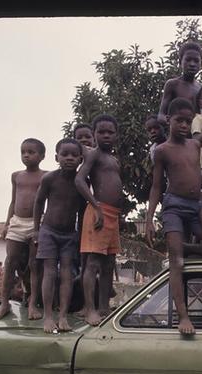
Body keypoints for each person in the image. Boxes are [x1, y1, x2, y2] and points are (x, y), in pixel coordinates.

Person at [146, 97, 202, 335]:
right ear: (169, 120)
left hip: (197, 206)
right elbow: (156, 186)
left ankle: (183, 247)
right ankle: (183, 316)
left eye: (187, 121)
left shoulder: (194, 145)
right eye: (179, 120)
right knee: (177, 262)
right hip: (174, 206)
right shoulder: (162, 151)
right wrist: (149, 218)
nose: (183, 125)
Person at [0, 138, 47, 321]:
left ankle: (32, 303)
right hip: (17, 222)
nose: (26, 155)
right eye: (23, 152)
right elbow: (13, 201)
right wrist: (6, 223)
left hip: (36, 223)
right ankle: (4, 303)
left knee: (34, 265)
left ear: (42, 156)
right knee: (10, 262)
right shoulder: (16, 176)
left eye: (31, 152)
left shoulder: (46, 176)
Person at [33, 138, 85, 333]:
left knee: (67, 274)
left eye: (74, 155)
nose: (69, 158)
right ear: (57, 157)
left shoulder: (81, 182)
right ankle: (48, 316)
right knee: (49, 272)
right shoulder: (49, 179)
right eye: (65, 154)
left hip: (69, 234)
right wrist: (36, 229)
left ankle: (62, 316)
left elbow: (82, 210)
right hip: (49, 231)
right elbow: (39, 202)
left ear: (80, 159)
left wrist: (80, 234)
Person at [75, 115, 123, 326]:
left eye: (110, 132)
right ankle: (90, 309)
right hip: (98, 212)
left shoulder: (114, 159)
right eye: (101, 132)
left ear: (116, 135)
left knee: (109, 263)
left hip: (113, 214)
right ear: (94, 135)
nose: (106, 135)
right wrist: (95, 206)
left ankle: (104, 307)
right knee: (93, 262)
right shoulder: (93, 155)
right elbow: (79, 180)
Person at [158, 41, 202, 125]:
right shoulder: (172, 84)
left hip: (197, 132)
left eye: (196, 61)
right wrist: (174, 123)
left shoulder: (201, 88)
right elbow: (161, 115)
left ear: (201, 63)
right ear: (180, 62)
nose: (192, 64)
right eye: (188, 60)